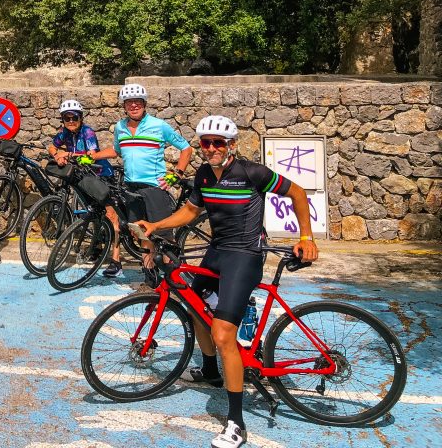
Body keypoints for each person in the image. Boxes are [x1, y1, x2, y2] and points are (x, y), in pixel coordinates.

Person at [138, 115, 318, 448]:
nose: (210, 149)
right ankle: (210, 371)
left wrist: (305, 236)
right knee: (194, 304)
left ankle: (236, 423)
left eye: (217, 143)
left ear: (231, 145)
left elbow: (297, 192)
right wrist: (157, 225)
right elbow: (191, 212)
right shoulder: (204, 174)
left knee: (223, 334)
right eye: (205, 143)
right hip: (219, 251)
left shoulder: (252, 173)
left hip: (246, 255)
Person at [96, 83, 192, 279]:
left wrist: (177, 174)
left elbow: (186, 148)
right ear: (124, 106)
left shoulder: (159, 126)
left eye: (137, 102)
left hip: (154, 188)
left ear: (144, 104)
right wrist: (93, 156)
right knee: (141, 233)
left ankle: (173, 281)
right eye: (129, 102)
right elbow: (116, 151)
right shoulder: (120, 127)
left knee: (164, 235)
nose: (133, 105)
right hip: (131, 188)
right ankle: (150, 277)